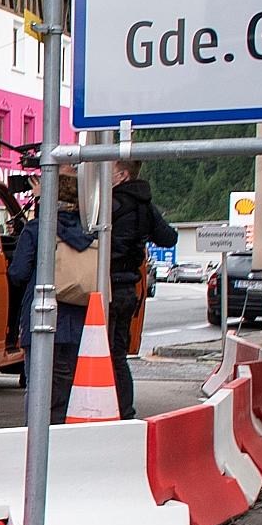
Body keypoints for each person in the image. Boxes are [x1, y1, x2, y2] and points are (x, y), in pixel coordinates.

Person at [8, 173, 94, 424]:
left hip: (41, 318)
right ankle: (61, 434)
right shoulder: (90, 231)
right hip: (78, 318)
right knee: (67, 386)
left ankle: (37, 439)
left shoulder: (37, 229)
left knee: (38, 387)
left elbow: (18, 272)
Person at [108, 160, 177, 419]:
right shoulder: (145, 205)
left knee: (97, 351)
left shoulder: (109, 204)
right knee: (118, 354)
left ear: (123, 175)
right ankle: (124, 411)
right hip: (129, 286)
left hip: (106, 283)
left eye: (110, 171)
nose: (105, 176)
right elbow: (169, 238)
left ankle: (102, 408)